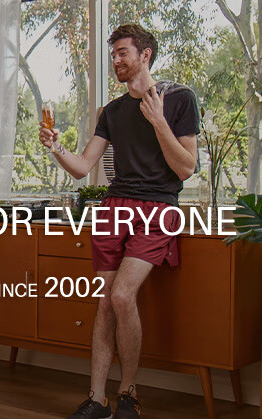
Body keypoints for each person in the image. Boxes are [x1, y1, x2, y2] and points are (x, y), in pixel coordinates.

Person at [39, 25, 199, 419]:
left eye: (123, 53)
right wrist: (56, 146)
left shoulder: (179, 99)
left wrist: (159, 121)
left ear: (145, 55)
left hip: (157, 208)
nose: (116, 61)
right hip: (114, 208)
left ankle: (129, 393)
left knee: (123, 296)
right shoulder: (111, 112)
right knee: (105, 302)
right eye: (113, 55)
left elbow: (186, 168)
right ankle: (97, 399)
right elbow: (82, 167)